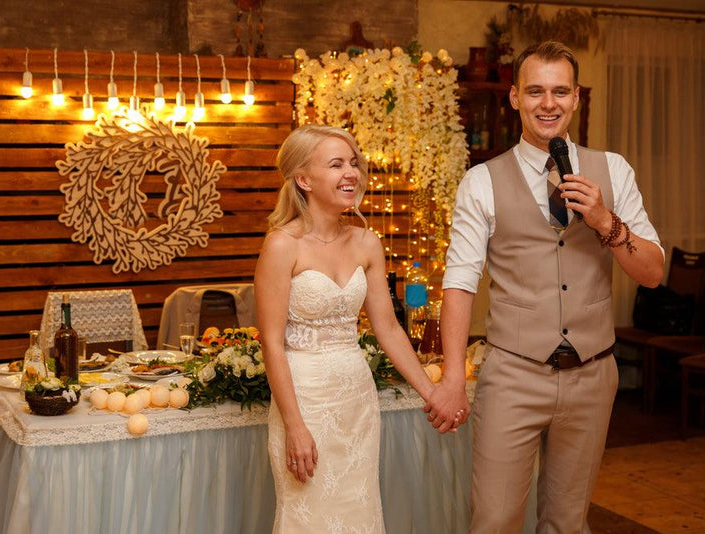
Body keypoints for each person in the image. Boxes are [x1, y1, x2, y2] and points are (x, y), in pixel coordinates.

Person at [433, 41, 665, 532]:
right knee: (494, 520)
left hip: (592, 375)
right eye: (535, 90)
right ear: (515, 97)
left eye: (560, 91)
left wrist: (605, 220)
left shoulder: (614, 169)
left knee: (567, 523)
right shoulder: (481, 181)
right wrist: (454, 378)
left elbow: (652, 272)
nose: (548, 103)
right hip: (512, 375)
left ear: (576, 98)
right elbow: (459, 281)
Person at [255, 124, 460, 532]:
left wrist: (432, 393)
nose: (351, 173)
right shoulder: (282, 245)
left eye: (353, 163)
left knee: (359, 513)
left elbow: (388, 329)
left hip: (358, 403)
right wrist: (295, 425)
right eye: (336, 164)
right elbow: (272, 344)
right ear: (304, 179)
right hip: (305, 402)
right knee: (307, 518)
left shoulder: (367, 242)